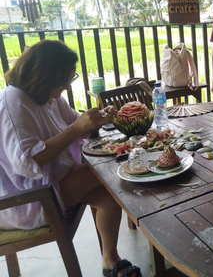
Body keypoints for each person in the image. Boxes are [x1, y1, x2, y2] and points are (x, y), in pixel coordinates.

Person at [0, 40, 141, 277]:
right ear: (43, 75)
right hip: (24, 199)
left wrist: (97, 120)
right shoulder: (13, 100)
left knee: (108, 195)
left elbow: (77, 124)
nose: (66, 86)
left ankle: (110, 260)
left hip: (50, 185)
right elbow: (26, 161)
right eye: (64, 79)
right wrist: (76, 129)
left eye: (69, 78)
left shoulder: (49, 97)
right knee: (104, 170)